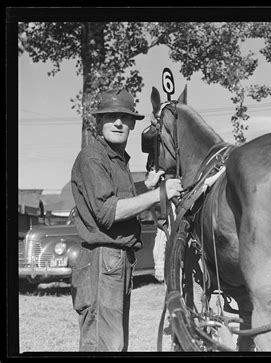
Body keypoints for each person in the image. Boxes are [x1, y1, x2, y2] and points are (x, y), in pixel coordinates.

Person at [70, 88, 183, 352]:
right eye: (111, 117)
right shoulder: (92, 157)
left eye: (124, 116)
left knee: (116, 343)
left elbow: (123, 203)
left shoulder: (117, 159)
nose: (118, 122)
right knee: (105, 345)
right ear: (98, 122)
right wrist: (159, 194)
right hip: (102, 259)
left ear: (133, 123)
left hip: (118, 261)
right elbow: (108, 213)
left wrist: (146, 187)